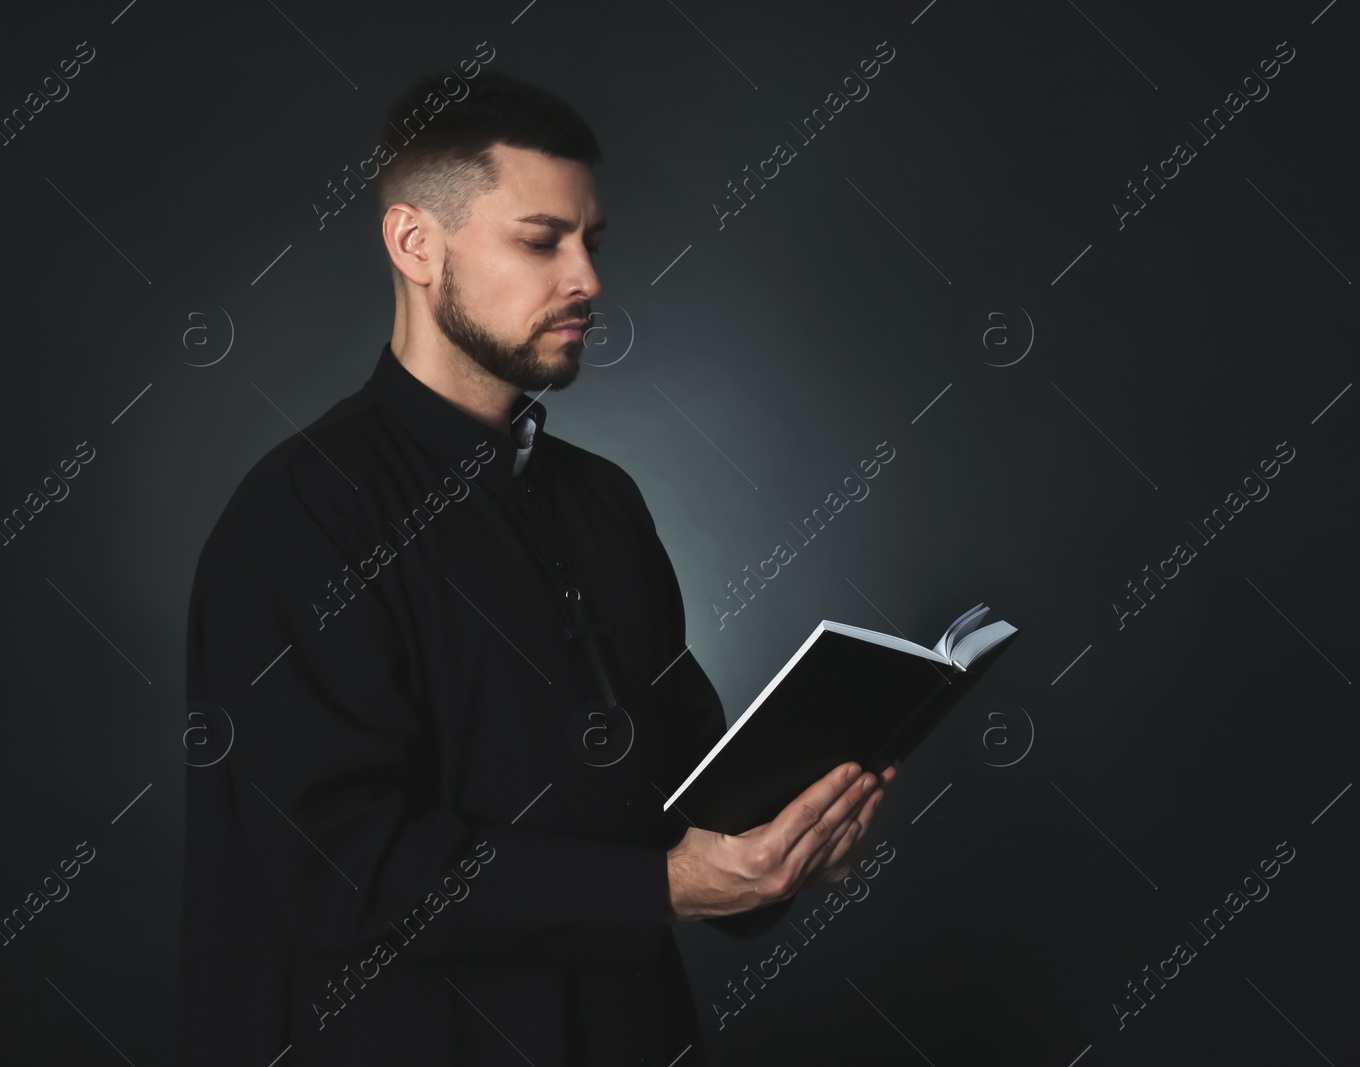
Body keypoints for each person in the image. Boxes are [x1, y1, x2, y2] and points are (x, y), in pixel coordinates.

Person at [180, 69, 894, 1066]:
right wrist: (671, 884)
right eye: (540, 240)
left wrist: (783, 839)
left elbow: (678, 786)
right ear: (415, 244)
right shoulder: (301, 512)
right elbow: (346, 869)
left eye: (591, 242)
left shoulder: (603, 499)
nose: (589, 281)